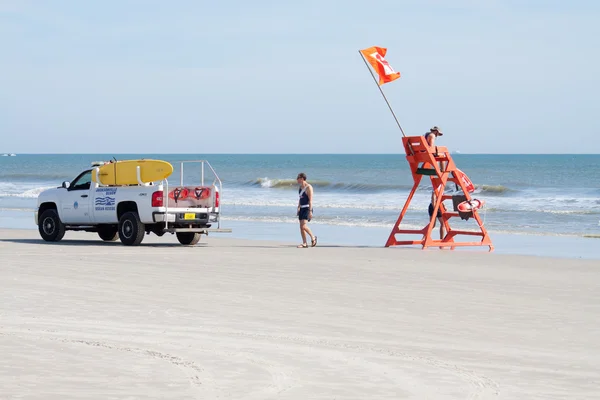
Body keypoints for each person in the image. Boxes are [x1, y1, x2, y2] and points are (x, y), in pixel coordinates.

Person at [296, 172, 317, 248]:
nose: (297, 180)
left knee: (304, 226)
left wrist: (310, 211)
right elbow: (300, 199)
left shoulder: (309, 187)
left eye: (298, 178)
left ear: (302, 179)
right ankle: (304, 243)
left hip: (307, 208)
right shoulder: (300, 188)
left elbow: (310, 200)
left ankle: (313, 237)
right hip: (301, 208)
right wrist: (298, 207)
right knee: (301, 227)